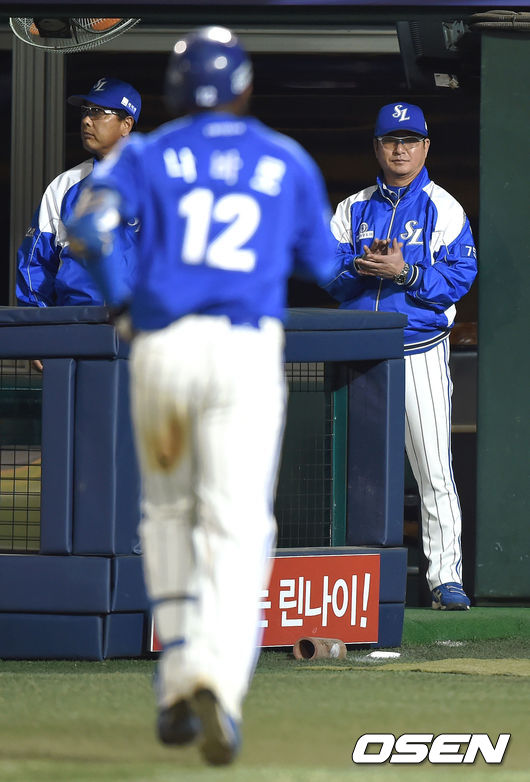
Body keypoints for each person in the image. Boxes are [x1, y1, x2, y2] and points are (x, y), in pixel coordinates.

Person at [65, 27, 336, 765]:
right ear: (244, 88)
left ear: (174, 92)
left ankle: (177, 674)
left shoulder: (144, 154)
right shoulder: (285, 158)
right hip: (244, 352)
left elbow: (87, 224)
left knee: (168, 514)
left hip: (163, 349)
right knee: (236, 523)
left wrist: (123, 301)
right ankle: (218, 677)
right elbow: (326, 264)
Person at [325, 102, 477, 611]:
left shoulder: (444, 207)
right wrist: (361, 267)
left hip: (419, 352)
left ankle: (445, 579)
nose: (400, 149)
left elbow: (459, 278)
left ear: (425, 147)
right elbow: (326, 271)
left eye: (410, 140)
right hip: (359, 354)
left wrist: (406, 273)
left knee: (434, 470)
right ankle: (350, 581)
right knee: (353, 475)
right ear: (376, 147)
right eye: (391, 140)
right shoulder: (352, 208)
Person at [16, 76, 141, 309]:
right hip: (76, 322)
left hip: (140, 323)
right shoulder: (65, 185)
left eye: (98, 112)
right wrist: (42, 325)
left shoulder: (157, 183)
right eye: (85, 111)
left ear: (126, 124)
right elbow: (35, 266)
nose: (86, 120)